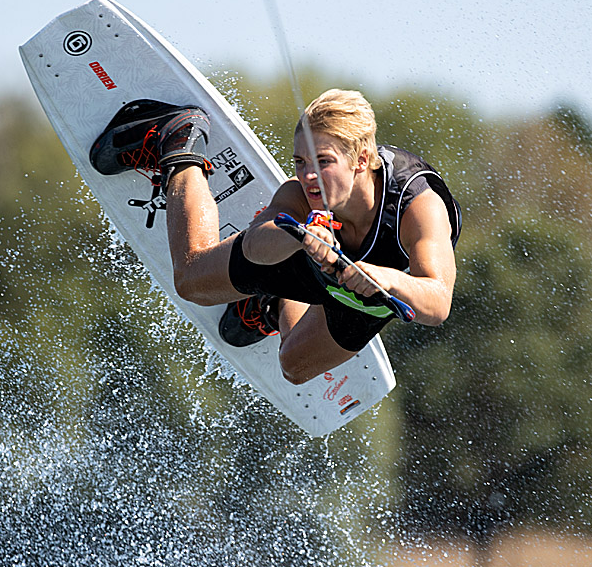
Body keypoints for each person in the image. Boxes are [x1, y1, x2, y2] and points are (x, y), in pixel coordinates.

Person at [89, 89, 461, 385]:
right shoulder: (300, 194)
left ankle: (274, 304)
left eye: (323, 162)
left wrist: (383, 277)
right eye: (300, 162)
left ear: (361, 160)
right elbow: (254, 244)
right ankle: (179, 144)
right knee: (192, 280)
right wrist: (298, 236)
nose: (308, 175)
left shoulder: (418, 205)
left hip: (374, 292)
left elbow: (437, 301)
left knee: (294, 368)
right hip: (308, 257)